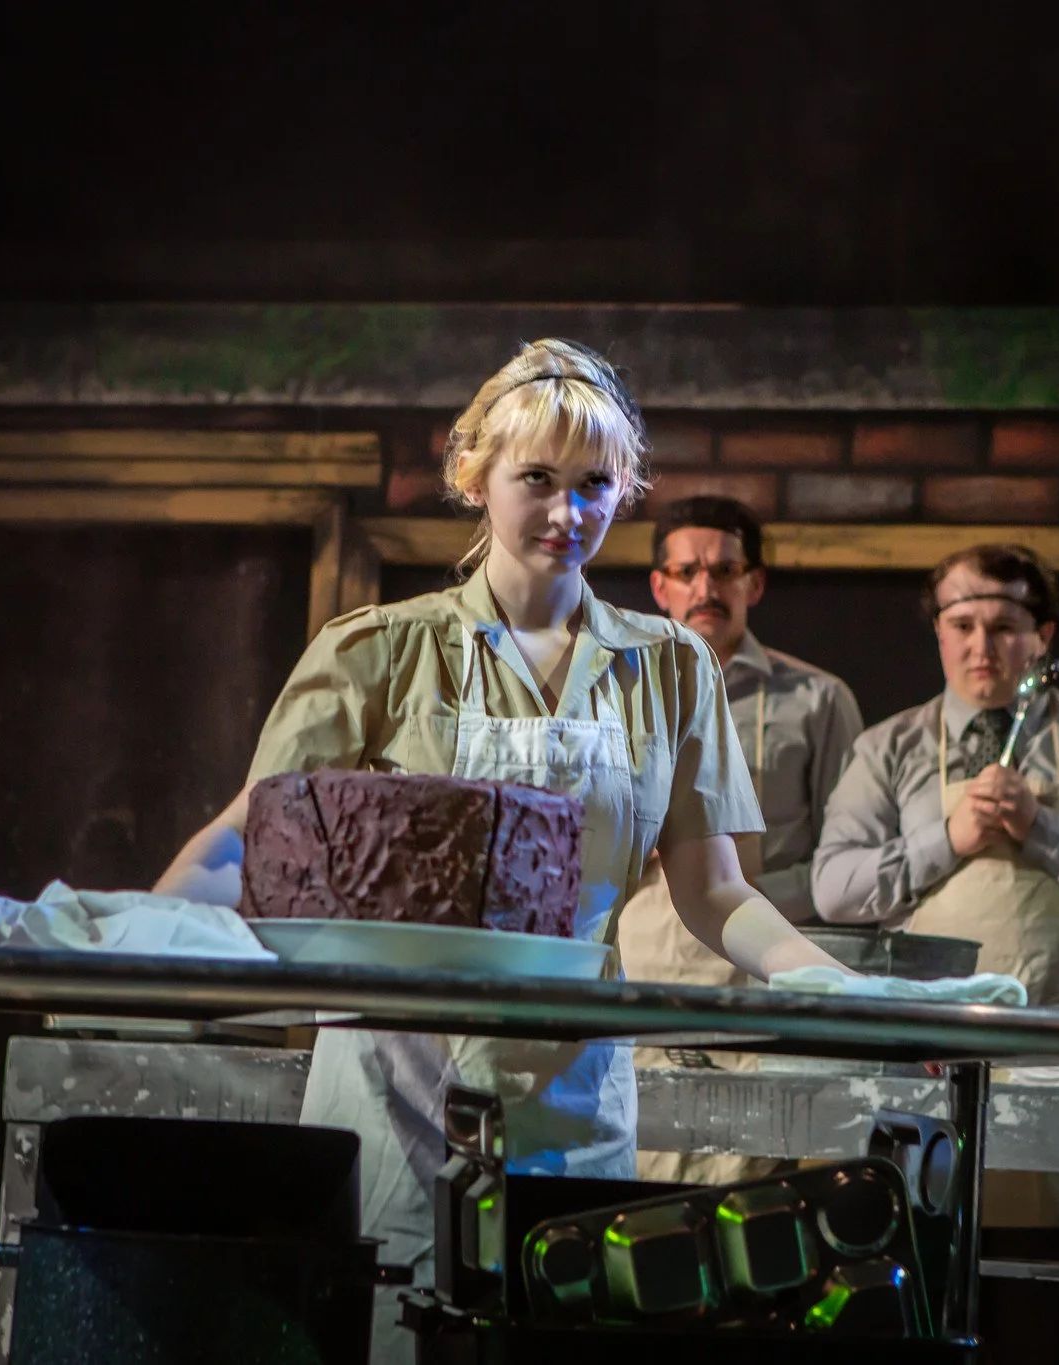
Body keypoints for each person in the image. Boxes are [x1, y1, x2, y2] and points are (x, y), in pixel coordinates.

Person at [152, 339, 848, 1363]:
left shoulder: (667, 667)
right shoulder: (380, 649)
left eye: (594, 485)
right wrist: (145, 928)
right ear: (475, 475)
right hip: (397, 1078)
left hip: (571, 1086)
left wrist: (827, 982)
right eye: (538, 480)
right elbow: (251, 833)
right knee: (393, 1331)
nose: (568, 512)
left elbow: (713, 891)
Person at [811, 543, 1059, 1009]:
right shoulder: (888, 747)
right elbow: (834, 890)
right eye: (962, 626)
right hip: (930, 1024)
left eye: (1004, 628)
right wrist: (948, 840)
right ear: (939, 631)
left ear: (1043, 636)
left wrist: (1042, 828)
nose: (981, 648)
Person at [615, 495, 864, 1183]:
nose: (706, 588)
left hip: (756, 965)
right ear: (659, 585)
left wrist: (750, 887)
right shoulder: (617, 692)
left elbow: (844, 862)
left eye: (725, 571)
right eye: (687, 571)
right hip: (642, 964)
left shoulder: (818, 700)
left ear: (754, 583)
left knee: (744, 1186)